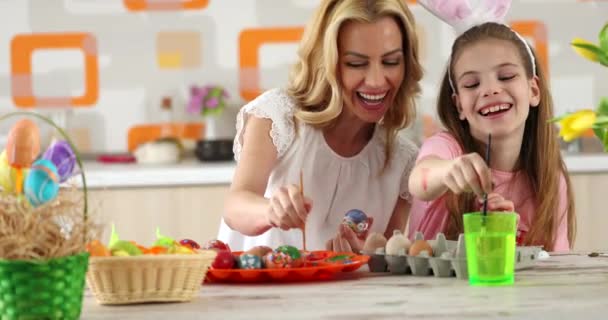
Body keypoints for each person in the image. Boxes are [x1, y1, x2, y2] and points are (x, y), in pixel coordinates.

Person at [219, 0, 423, 252]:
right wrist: (270, 210)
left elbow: (390, 259)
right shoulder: (278, 117)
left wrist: (365, 258)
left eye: (391, 62)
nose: (376, 80)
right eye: (356, 63)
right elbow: (235, 206)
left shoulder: (402, 161)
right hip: (257, 290)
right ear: (325, 62)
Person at [407, 20, 576, 252]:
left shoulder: (550, 180)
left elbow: (556, 269)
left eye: (506, 76)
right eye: (472, 84)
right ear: (459, 106)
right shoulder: (447, 148)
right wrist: (449, 171)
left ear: (533, 91)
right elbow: (420, 180)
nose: (489, 90)